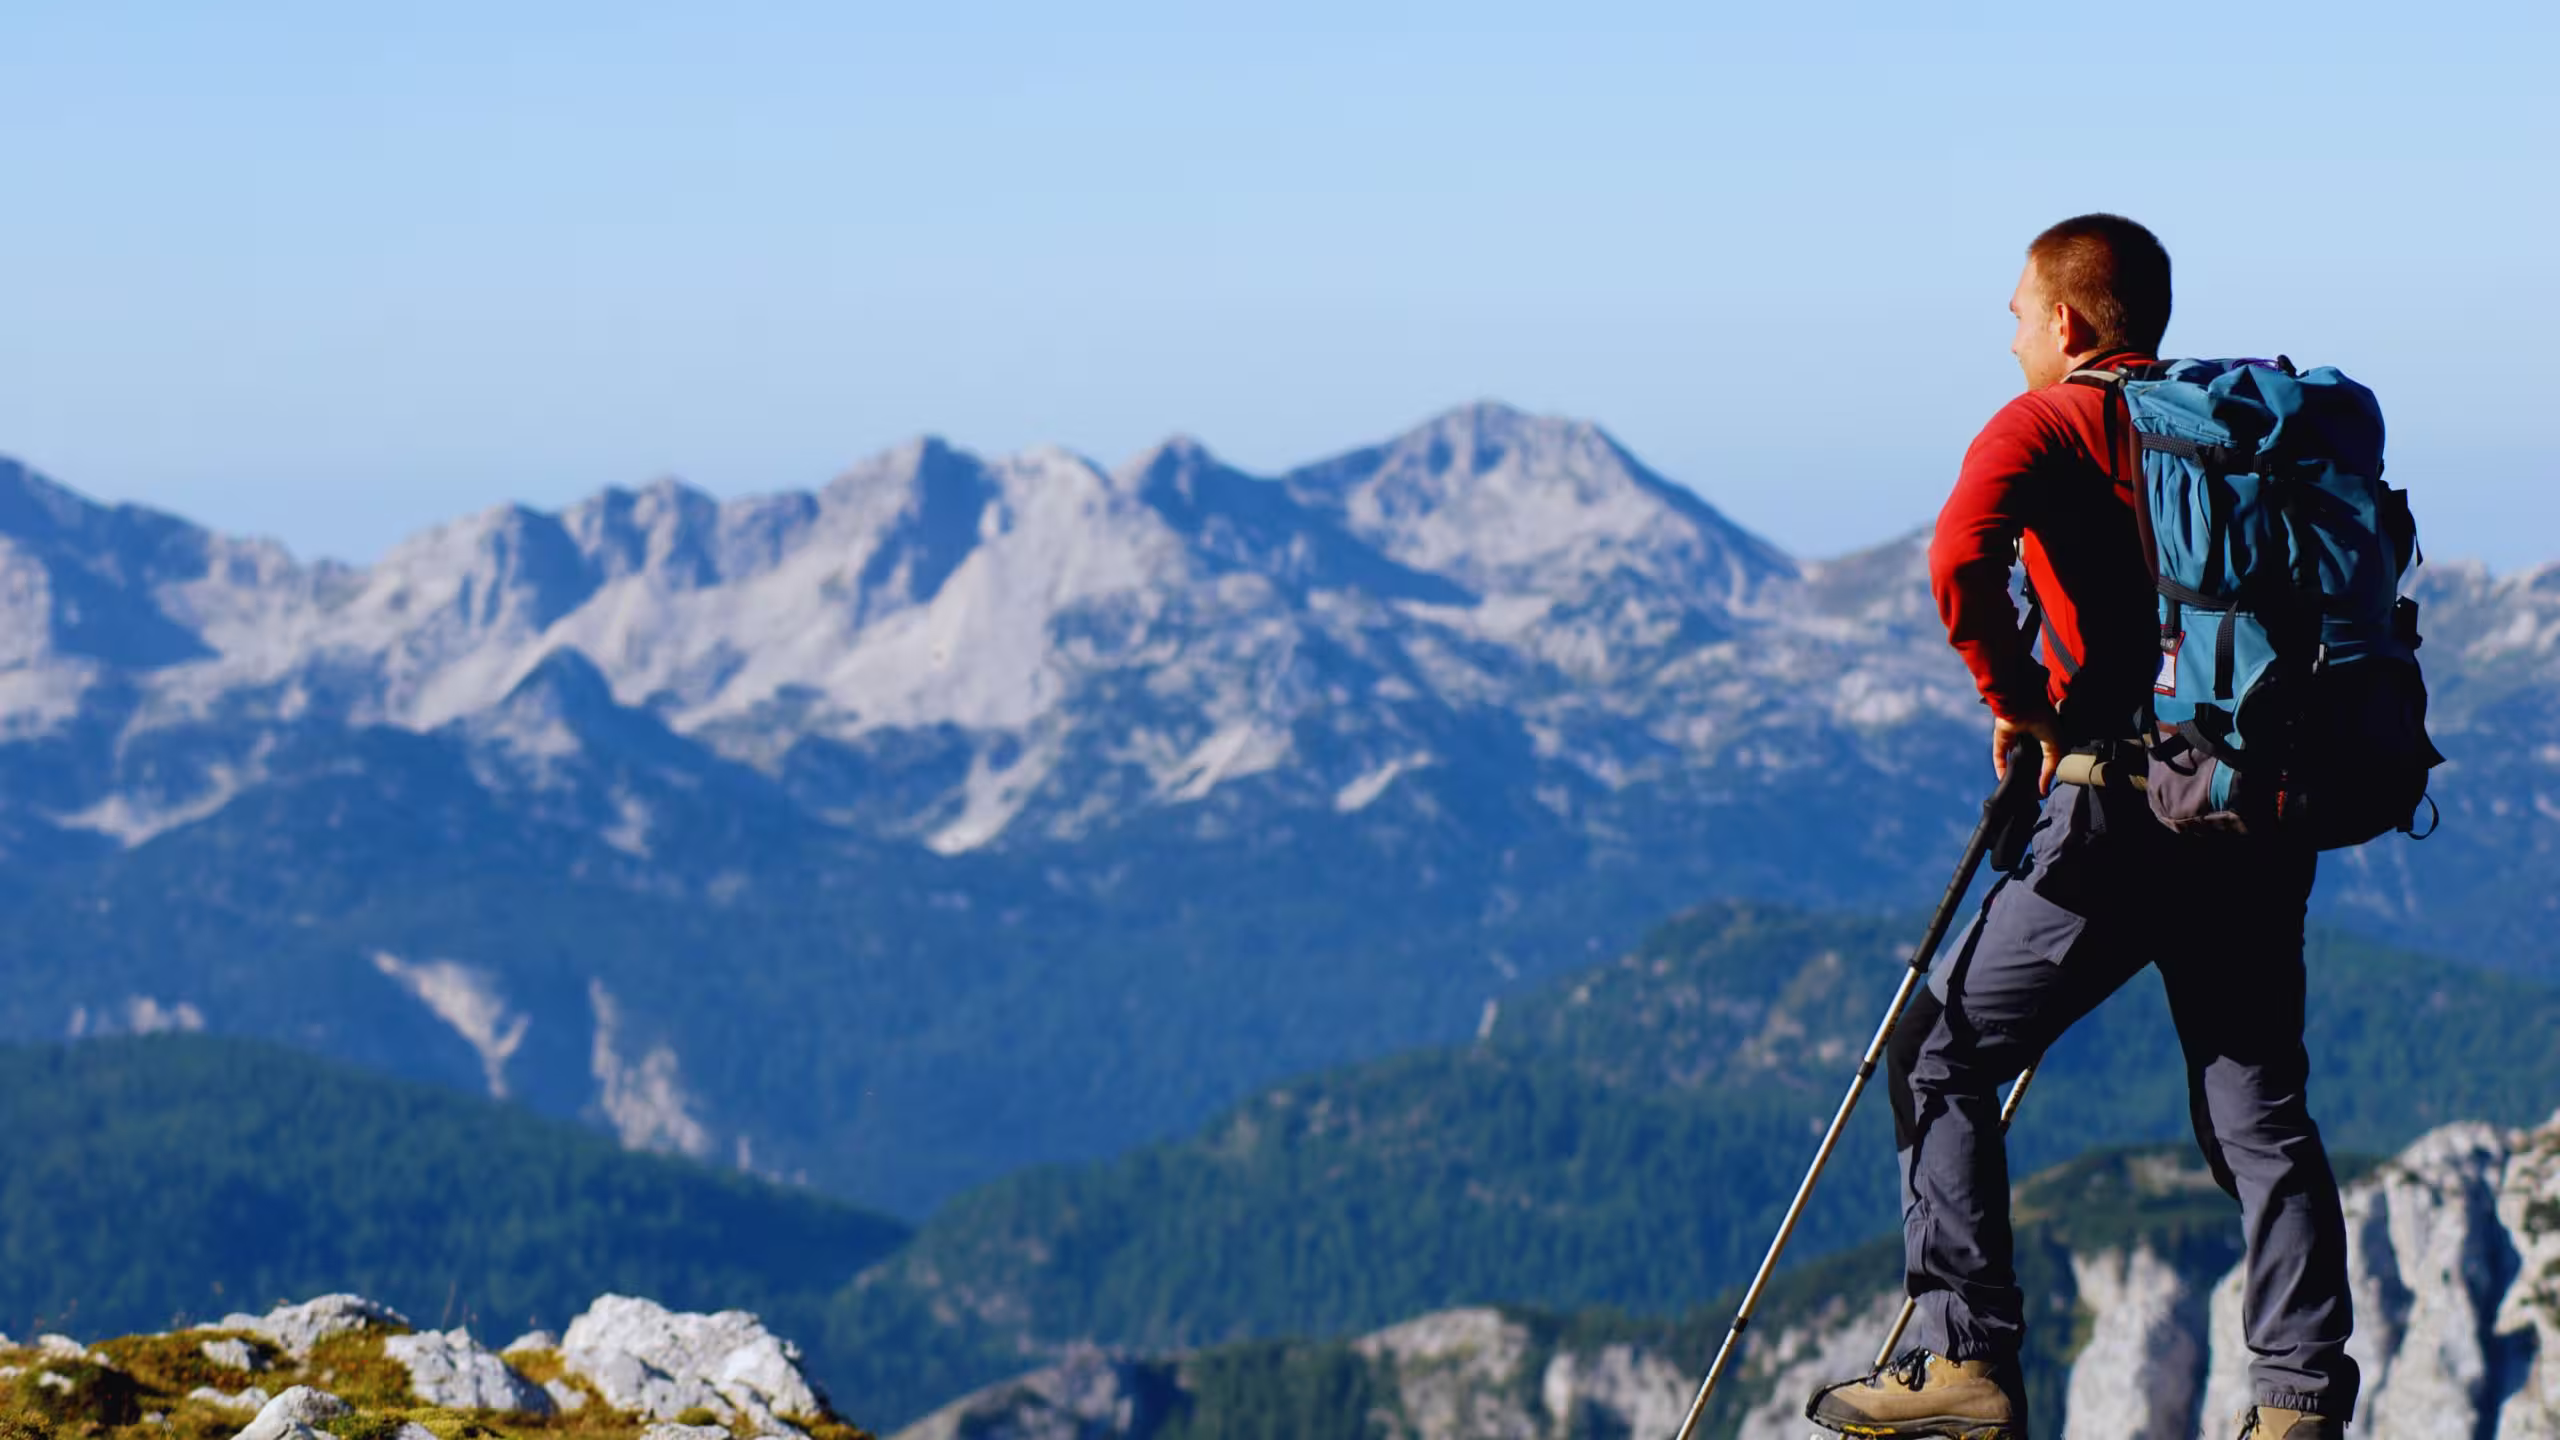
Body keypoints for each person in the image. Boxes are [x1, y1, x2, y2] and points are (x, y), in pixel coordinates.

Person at [1801, 215, 2358, 1440]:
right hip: (2249, 811)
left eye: (2013, 316)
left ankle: (1967, 1369)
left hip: (2112, 813)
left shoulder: (2046, 421)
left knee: (1941, 1049)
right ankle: (2297, 1401)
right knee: (2259, 1113)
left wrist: (2022, 709)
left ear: (2065, 321)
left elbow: (1958, 563)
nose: (2007, 339)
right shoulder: (2225, 432)